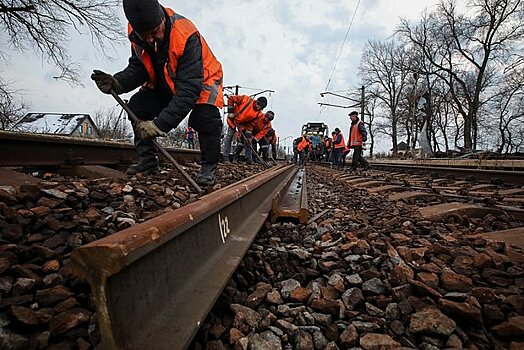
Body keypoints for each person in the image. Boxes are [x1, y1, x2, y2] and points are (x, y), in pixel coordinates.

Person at [90, 0, 223, 186]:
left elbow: (189, 91)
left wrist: (159, 125)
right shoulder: (136, 34)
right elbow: (139, 67)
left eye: (154, 33)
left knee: (205, 118)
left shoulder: (185, 35)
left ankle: (208, 169)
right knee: (138, 106)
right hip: (166, 80)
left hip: (201, 80)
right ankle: (148, 160)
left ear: (162, 19)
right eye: (145, 36)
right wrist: (118, 82)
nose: (150, 39)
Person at [223, 95, 267, 163]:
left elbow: (250, 125)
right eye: (258, 104)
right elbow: (231, 99)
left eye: (261, 107)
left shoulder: (259, 114)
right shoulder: (245, 99)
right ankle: (225, 157)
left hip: (242, 125)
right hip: (232, 119)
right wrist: (230, 112)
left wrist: (248, 136)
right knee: (229, 137)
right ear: (256, 101)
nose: (258, 107)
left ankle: (249, 159)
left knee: (247, 141)